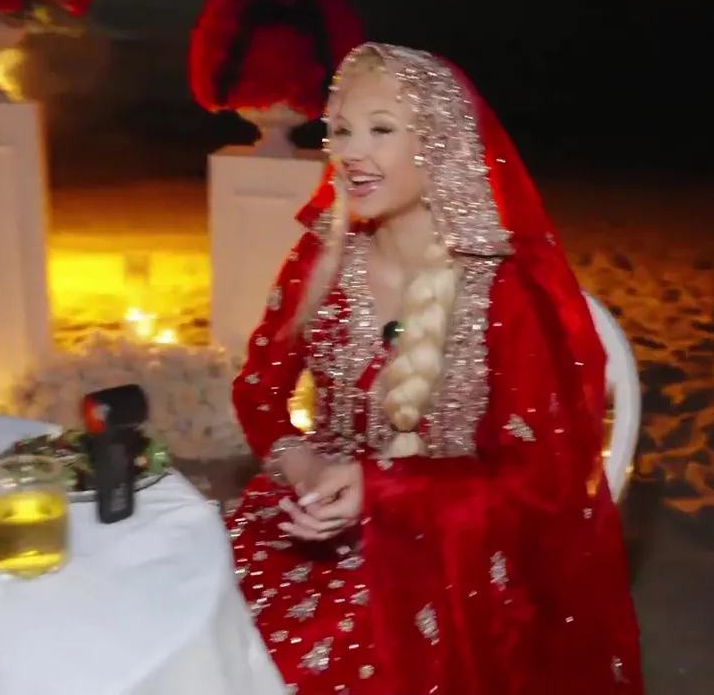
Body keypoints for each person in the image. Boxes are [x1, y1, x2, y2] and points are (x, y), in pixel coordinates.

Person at [226, 42, 643, 694]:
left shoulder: (503, 291)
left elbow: (538, 481)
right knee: (206, 634)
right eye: (341, 131)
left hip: (450, 560)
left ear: (440, 143)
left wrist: (385, 490)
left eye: (381, 129)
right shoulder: (320, 258)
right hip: (309, 525)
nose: (352, 152)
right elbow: (257, 393)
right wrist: (300, 464)